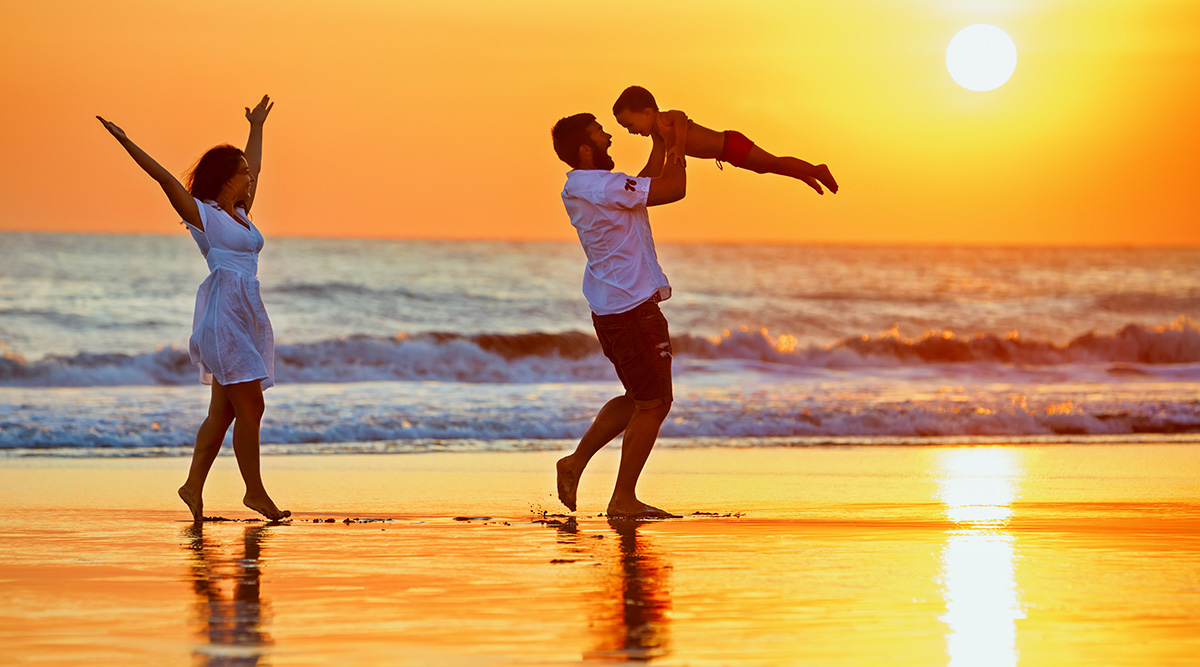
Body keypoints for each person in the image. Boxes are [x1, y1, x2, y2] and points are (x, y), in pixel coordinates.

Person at [97, 95, 290, 523]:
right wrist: (127, 142)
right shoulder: (204, 216)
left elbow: (255, 166)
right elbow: (166, 180)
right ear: (225, 178)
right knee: (252, 407)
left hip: (247, 316)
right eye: (241, 173)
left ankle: (191, 487)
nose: (250, 177)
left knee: (222, 414)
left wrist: (257, 127)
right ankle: (255, 493)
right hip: (223, 321)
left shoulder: (241, 213)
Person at [550, 112, 686, 519]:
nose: (609, 137)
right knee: (656, 403)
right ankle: (622, 498)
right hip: (631, 310)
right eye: (600, 134)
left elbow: (641, 186)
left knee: (639, 398)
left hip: (610, 309)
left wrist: (659, 146)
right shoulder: (603, 185)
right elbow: (672, 189)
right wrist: (679, 140)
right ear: (585, 149)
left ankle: (574, 462)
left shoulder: (583, 186)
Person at [612, 85, 838, 195]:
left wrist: (679, 145)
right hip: (727, 154)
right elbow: (653, 170)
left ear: (648, 112)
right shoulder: (659, 136)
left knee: (773, 162)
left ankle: (817, 170)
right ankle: (805, 176)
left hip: (731, 143)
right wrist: (629, 189)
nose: (630, 131)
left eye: (630, 125)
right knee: (767, 168)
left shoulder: (665, 120)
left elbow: (681, 116)